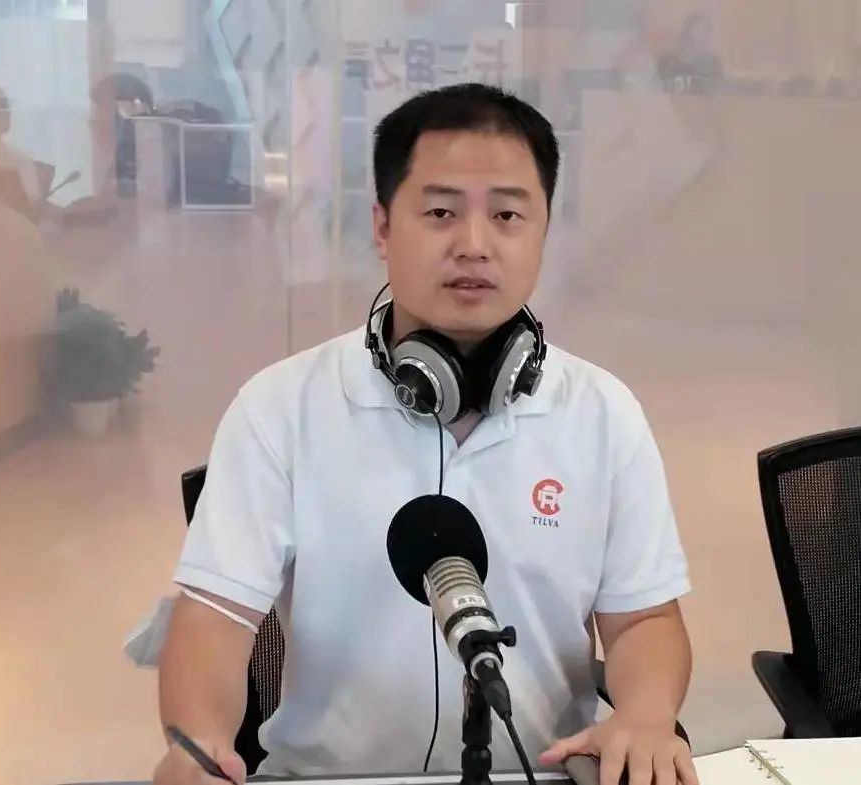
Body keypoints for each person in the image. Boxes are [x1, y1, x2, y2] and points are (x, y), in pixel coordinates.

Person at [155, 82, 697, 785]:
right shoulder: (281, 408)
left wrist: (647, 714)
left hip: (541, 774)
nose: (474, 245)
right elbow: (215, 615)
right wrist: (197, 742)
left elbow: (643, 620)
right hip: (327, 782)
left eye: (507, 215)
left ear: (543, 231)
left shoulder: (603, 413)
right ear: (383, 227)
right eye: (441, 212)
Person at [657, 12, 724, 95]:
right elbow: (655, 91)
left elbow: (718, 95)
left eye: (702, 34)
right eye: (691, 35)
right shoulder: (667, 61)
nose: (695, 40)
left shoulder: (712, 65)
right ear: (684, 34)